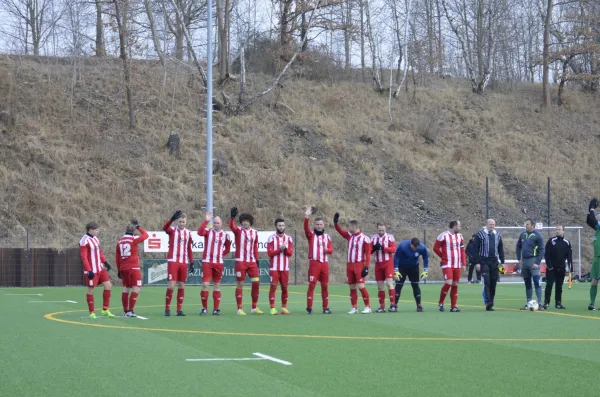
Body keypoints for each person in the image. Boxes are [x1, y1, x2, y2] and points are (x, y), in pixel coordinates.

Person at [334, 213, 372, 314]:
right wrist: (335, 223)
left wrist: (366, 267)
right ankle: (354, 307)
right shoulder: (349, 236)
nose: (348, 228)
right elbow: (340, 231)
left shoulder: (365, 238)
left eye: (349, 226)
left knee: (361, 286)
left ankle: (368, 306)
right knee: (352, 286)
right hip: (349, 265)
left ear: (354, 227)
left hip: (359, 264)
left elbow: (368, 254)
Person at [229, 207, 262, 315]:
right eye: (243, 221)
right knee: (240, 283)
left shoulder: (255, 232)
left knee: (256, 283)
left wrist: (257, 260)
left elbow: (255, 247)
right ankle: (239, 309)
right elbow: (231, 226)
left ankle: (254, 307)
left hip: (252, 262)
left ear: (250, 222)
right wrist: (232, 218)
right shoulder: (238, 230)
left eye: (247, 221)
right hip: (241, 261)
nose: (245, 223)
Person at [198, 212, 232, 315]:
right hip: (207, 262)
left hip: (218, 263)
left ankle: (216, 309)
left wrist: (221, 254)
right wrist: (206, 221)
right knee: (205, 284)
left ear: (221, 224)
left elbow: (228, 248)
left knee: (217, 285)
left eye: (218, 223)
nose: (216, 224)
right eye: (215, 223)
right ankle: (204, 308)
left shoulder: (225, 235)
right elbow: (199, 233)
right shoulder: (208, 232)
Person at [79, 221, 115, 319]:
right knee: (91, 289)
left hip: (100, 268)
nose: (98, 231)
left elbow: (99, 252)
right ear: (90, 230)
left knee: (108, 285)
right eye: (96, 230)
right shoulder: (84, 241)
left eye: (98, 229)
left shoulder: (95, 239)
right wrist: (89, 270)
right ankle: (92, 312)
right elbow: (84, 258)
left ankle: (105, 310)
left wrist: (105, 262)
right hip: (92, 270)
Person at [163, 210, 194, 316]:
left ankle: (179, 310)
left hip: (184, 262)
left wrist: (192, 262)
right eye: (180, 221)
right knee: (171, 286)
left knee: (181, 286)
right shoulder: (172, 230)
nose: (181, 223)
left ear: (186, 222)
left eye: (183, 222)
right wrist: (171, 219)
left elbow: (189, 248)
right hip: (173, 261)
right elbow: (164, 228)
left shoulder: (188, 233)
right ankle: (167, 308)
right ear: (177, 222)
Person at [115, 219, 149, 317]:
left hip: (123, 268)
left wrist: (118, 269)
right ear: (134, 231)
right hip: (133, 268)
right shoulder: (134, 240)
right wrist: (138, 226)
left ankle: (125, 311)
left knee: (126, 288)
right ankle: (130, 310)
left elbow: (117, 257)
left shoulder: (120, 241)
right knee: (136, 287)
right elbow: (146, 235)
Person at [304, 207, 333, 314]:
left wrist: (327, 250)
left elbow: (331, 250)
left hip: (324, 263)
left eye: (321, 224)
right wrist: (306, 216)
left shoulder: (327, 237)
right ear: (315, 225)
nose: (319, 226)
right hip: (314, 263)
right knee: (312, 285)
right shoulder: (311, 235)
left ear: (323, 225)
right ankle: (309, 307)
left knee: (325, 286)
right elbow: (305, 228)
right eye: (317, 224)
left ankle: (325, 308)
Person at [433, 220, 467, 312]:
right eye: (459, 226)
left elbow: (462, 251)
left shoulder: (460, 236)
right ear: (454, 226)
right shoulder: (443, 235)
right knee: (448, 283)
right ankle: (441, 302)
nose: (460, 228)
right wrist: (443, 256)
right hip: (447, 264)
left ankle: (453, 306)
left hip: (457, 264)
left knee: (455, 284)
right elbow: (435, 248)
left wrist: (463, 263)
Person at [473, 219, 505, 311]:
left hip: (494, 261)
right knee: (486, 281)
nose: (492, 226)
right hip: (484, 261)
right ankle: (487, 302)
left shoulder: (497, 235)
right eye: (490, 224)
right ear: (486, 225)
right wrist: (477, 262)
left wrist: (502, 262)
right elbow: (475, 249)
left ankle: (491, 301)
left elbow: (500, 249)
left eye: (493, 224)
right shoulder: (480, 235)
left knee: (494, 281)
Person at [516, 219, 546, 311]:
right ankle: (529, 303)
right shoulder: (523, 234)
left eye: (528, 224)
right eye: (525, 224)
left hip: (533, 261)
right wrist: (519, 259)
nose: (526, 225)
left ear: (533, 225)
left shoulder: (538, 235)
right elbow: (518, 246)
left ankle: (540, 303)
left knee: (537, 282)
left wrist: (537, 262)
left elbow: (542, 250)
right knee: (527, 283)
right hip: (524, 262)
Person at [266, 218, 294, 315]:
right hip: (274, 267)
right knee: (273, 287)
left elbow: (290, 253)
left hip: (285, 268)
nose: (281, 227)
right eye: (279, 225)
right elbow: (269, 253)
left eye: (283, 225)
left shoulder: (289, 238)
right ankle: (272, 308)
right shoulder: (271, 238)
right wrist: (279, 250)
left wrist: (285, 249)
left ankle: (284, 307)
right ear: (276, 226)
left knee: (284, 288)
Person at [393, 238, 428, 312]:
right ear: (410, 244)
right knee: (399, 285)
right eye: (413, 247)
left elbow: (425, 257)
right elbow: (396, 257)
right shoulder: (402, 246)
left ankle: (419, 305)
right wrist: (396, 270)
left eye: (416, 247)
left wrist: (425, 270)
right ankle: (394, 305)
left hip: (414, 268)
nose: (415, 249)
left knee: (415, 285)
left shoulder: (422, 247)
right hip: (402, 267)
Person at [543, 225, 572, 310]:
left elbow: (569, 256)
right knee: (549, 284)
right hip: (551, 268)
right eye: (556, 230)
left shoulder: (567, 242)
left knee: (559, 286)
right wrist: (549, 265)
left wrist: (570, 268)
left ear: (563, 231)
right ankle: (546, 302)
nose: (557, 231)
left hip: (561, 267)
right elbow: (546, 254)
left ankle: (558, 303)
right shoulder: (551, 241)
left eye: (559, 230)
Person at [371, 223, 397, 312]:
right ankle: (381, 306)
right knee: (380, 286)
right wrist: (374, 248)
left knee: (389, 283)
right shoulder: (373, 238)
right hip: (378, 264)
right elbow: (369, 251)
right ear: (377, 229)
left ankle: (393, 305)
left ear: (385, 229)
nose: (381, 232)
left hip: (388, 263)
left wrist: (383, 248)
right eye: (379, 230)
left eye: (383, 230)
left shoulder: (390, 237)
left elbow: (393, 249)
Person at [586, 199, 600, 310]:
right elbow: (589, 220)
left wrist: (591, 209)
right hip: (596, 258)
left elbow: (593, 220)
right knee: (594, 281)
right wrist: (589, 210)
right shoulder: (597, 230)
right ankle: (592, 303)